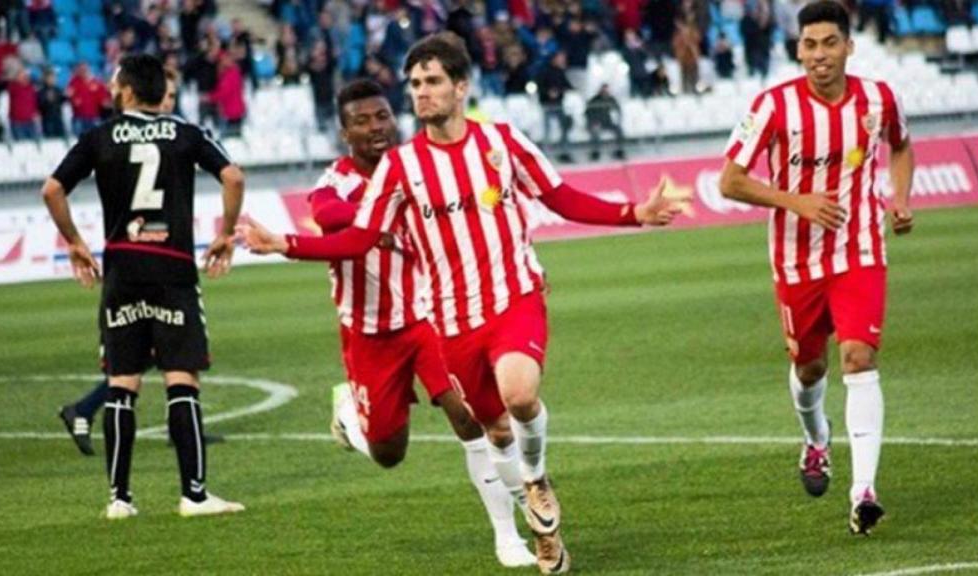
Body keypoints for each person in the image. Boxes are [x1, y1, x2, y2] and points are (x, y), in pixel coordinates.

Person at [238, 33, 681, 574]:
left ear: (461, 87)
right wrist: (284, 243)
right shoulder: (402, 168)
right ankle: (549, 541)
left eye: (432, 82)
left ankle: (536, 483)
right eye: (416, 84)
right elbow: (355, 238)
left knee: (519, 395)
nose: (421, 94)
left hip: (514, 296)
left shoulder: (502, 142)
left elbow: (559, 196)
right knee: (491, 432)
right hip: (450, 320)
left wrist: (633, 213)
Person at [301, 78, 537, 568]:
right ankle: (350, 413)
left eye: (382, 116)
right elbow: (325, 213)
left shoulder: (417, 168)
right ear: (345, 134)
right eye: (362, 121)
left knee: (472, 419)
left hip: (431, 318)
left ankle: (507, 537)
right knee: (389, 453)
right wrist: (377, 217)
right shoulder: (336, 183)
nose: (376, 128)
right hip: (368, 333)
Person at [718, 0, 914, 536]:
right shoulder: (774, 106)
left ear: (849, 46)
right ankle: (815, 439)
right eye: (809, 45)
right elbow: (729, 180)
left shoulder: (878, 98)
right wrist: (796, 200)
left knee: (858, 355)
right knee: (809, 369)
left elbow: (901, 146)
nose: (819, 55)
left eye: (830, 43)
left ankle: (864, 491)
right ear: (798, 49)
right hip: (795, 260)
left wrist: (898, 198)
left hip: (859, 252)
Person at [43, 53, 246, 519]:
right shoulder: (185, 132)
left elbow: (52, 189)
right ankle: (193, 494)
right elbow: (233, 176)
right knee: (182, 380)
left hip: (121, 270)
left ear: (129, 90)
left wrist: (75, 243)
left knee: (122, 384)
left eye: (116, 83)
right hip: (173, 268)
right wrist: (225, 233)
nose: (114, 90)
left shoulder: (99, 137)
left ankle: (119, 499)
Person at [57, 69, 225, 456]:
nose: (170, 101)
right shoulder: (173, 132)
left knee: (148, 356)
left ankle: (126, 427)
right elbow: (231, 176)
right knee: (157, 356)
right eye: (167, 94)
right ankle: (87, 410)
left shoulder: (127, 133)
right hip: (160, 262)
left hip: (130, 262)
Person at [585, 83, 625, 161]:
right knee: (595, 132)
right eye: (604, 90)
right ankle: (595, 153)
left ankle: (619, 151)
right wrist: (594, 122)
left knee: (619, 130)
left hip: (607, 122)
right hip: (595, 123)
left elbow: (618, 109)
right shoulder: (594, 100)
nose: (605, 92)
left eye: (607, 90)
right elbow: (588, 113)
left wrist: (617, 118)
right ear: (600, 90)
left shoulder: (611, 99)